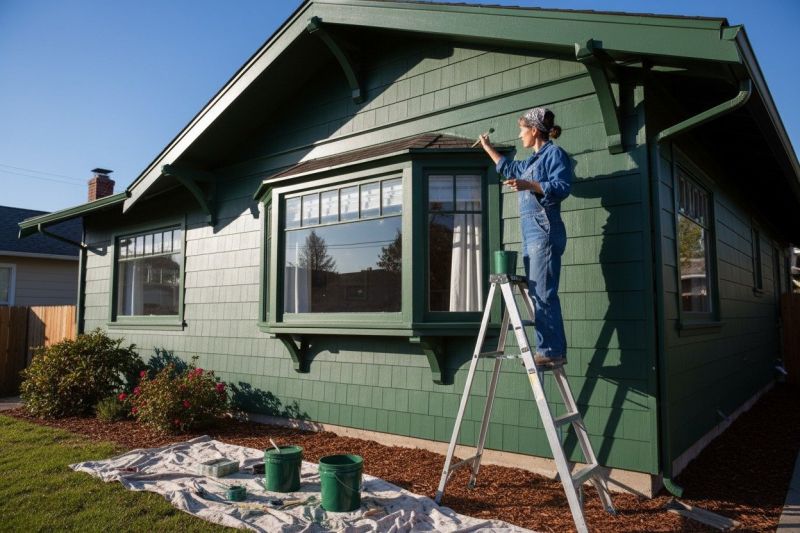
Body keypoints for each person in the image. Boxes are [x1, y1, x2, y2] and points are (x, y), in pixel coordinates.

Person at [479, 107, 572, 368]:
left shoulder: (554, 154)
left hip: (544, 230)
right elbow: (508, 167)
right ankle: (550, 348)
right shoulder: (531, 161)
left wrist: (529, 185)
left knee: (544, 293)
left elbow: (563, 186)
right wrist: (487, 146)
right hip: (531, 233)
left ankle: (552, 350)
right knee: (538, 293)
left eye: (522, 130)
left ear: (533, 130)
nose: (520, 136)